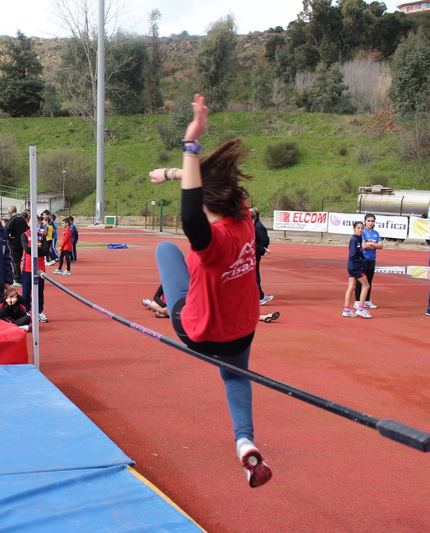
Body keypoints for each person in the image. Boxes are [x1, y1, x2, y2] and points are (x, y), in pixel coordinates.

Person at [150, 94, 272, 488]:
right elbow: (209, 186)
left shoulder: (212, 238)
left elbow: (189, 213)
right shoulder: (245, 223)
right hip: (242, 328)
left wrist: (191, 139)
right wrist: (171, 171)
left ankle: (162, 301)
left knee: (167, 249)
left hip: (197, 330)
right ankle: (246, 445)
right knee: (236, 378)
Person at [21, 215, 49, 322]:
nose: (34, 223)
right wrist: (39, 250)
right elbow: (27, 250)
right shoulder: (24, 235)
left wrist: (36, 250)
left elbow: (46, 250)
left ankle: (39, 312)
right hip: (27, 268)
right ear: (28, 223)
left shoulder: (42, 235)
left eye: (36, 221)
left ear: (39, 223)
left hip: (40, 269)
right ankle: (26, 311)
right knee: (26, 292)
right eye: (31, 221)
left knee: (39, 292)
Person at [343, 221, 372, 318]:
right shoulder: (354, 240)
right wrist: (361, 264)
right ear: (354, 229)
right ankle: (360, 308)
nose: (360, 230)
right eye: (358, 228)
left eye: (362, 228)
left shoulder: (359, 239)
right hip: (356, 267)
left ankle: (346, 309)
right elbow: (353, 255)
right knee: (366, 285)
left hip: (352, 266)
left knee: (351, 287)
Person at [354, 213, 383, 310]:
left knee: (369, 281)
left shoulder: (376, 233)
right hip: (363, 259)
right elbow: (364, 246)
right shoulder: (363, 232)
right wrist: (373, 245)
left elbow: (381, 246)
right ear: (365, 221)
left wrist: (370, 244)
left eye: (372, 221)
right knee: (361, 281)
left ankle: (367, 300)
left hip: (372, 259)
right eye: (369, 221)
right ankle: (357, 301)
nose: (371, 223)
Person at [250, 207, 273, 305]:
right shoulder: (253, 226)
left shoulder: (258, 226)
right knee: (253, 275)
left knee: (254, 275)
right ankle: (259, 296)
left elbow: (264, 240)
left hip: (254, 254)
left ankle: (259, 296)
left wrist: (261, 249)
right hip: (251, 253)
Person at [5, 206, 28, 285]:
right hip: (21, 242)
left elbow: (6, 229)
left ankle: (18, 278)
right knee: (18, 261)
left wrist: (8, 237)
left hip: (14, 242)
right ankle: (17, 276)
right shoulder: (23, 219)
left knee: (15, 261)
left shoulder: (13, 219)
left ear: (10, 212)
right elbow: (26, 228)